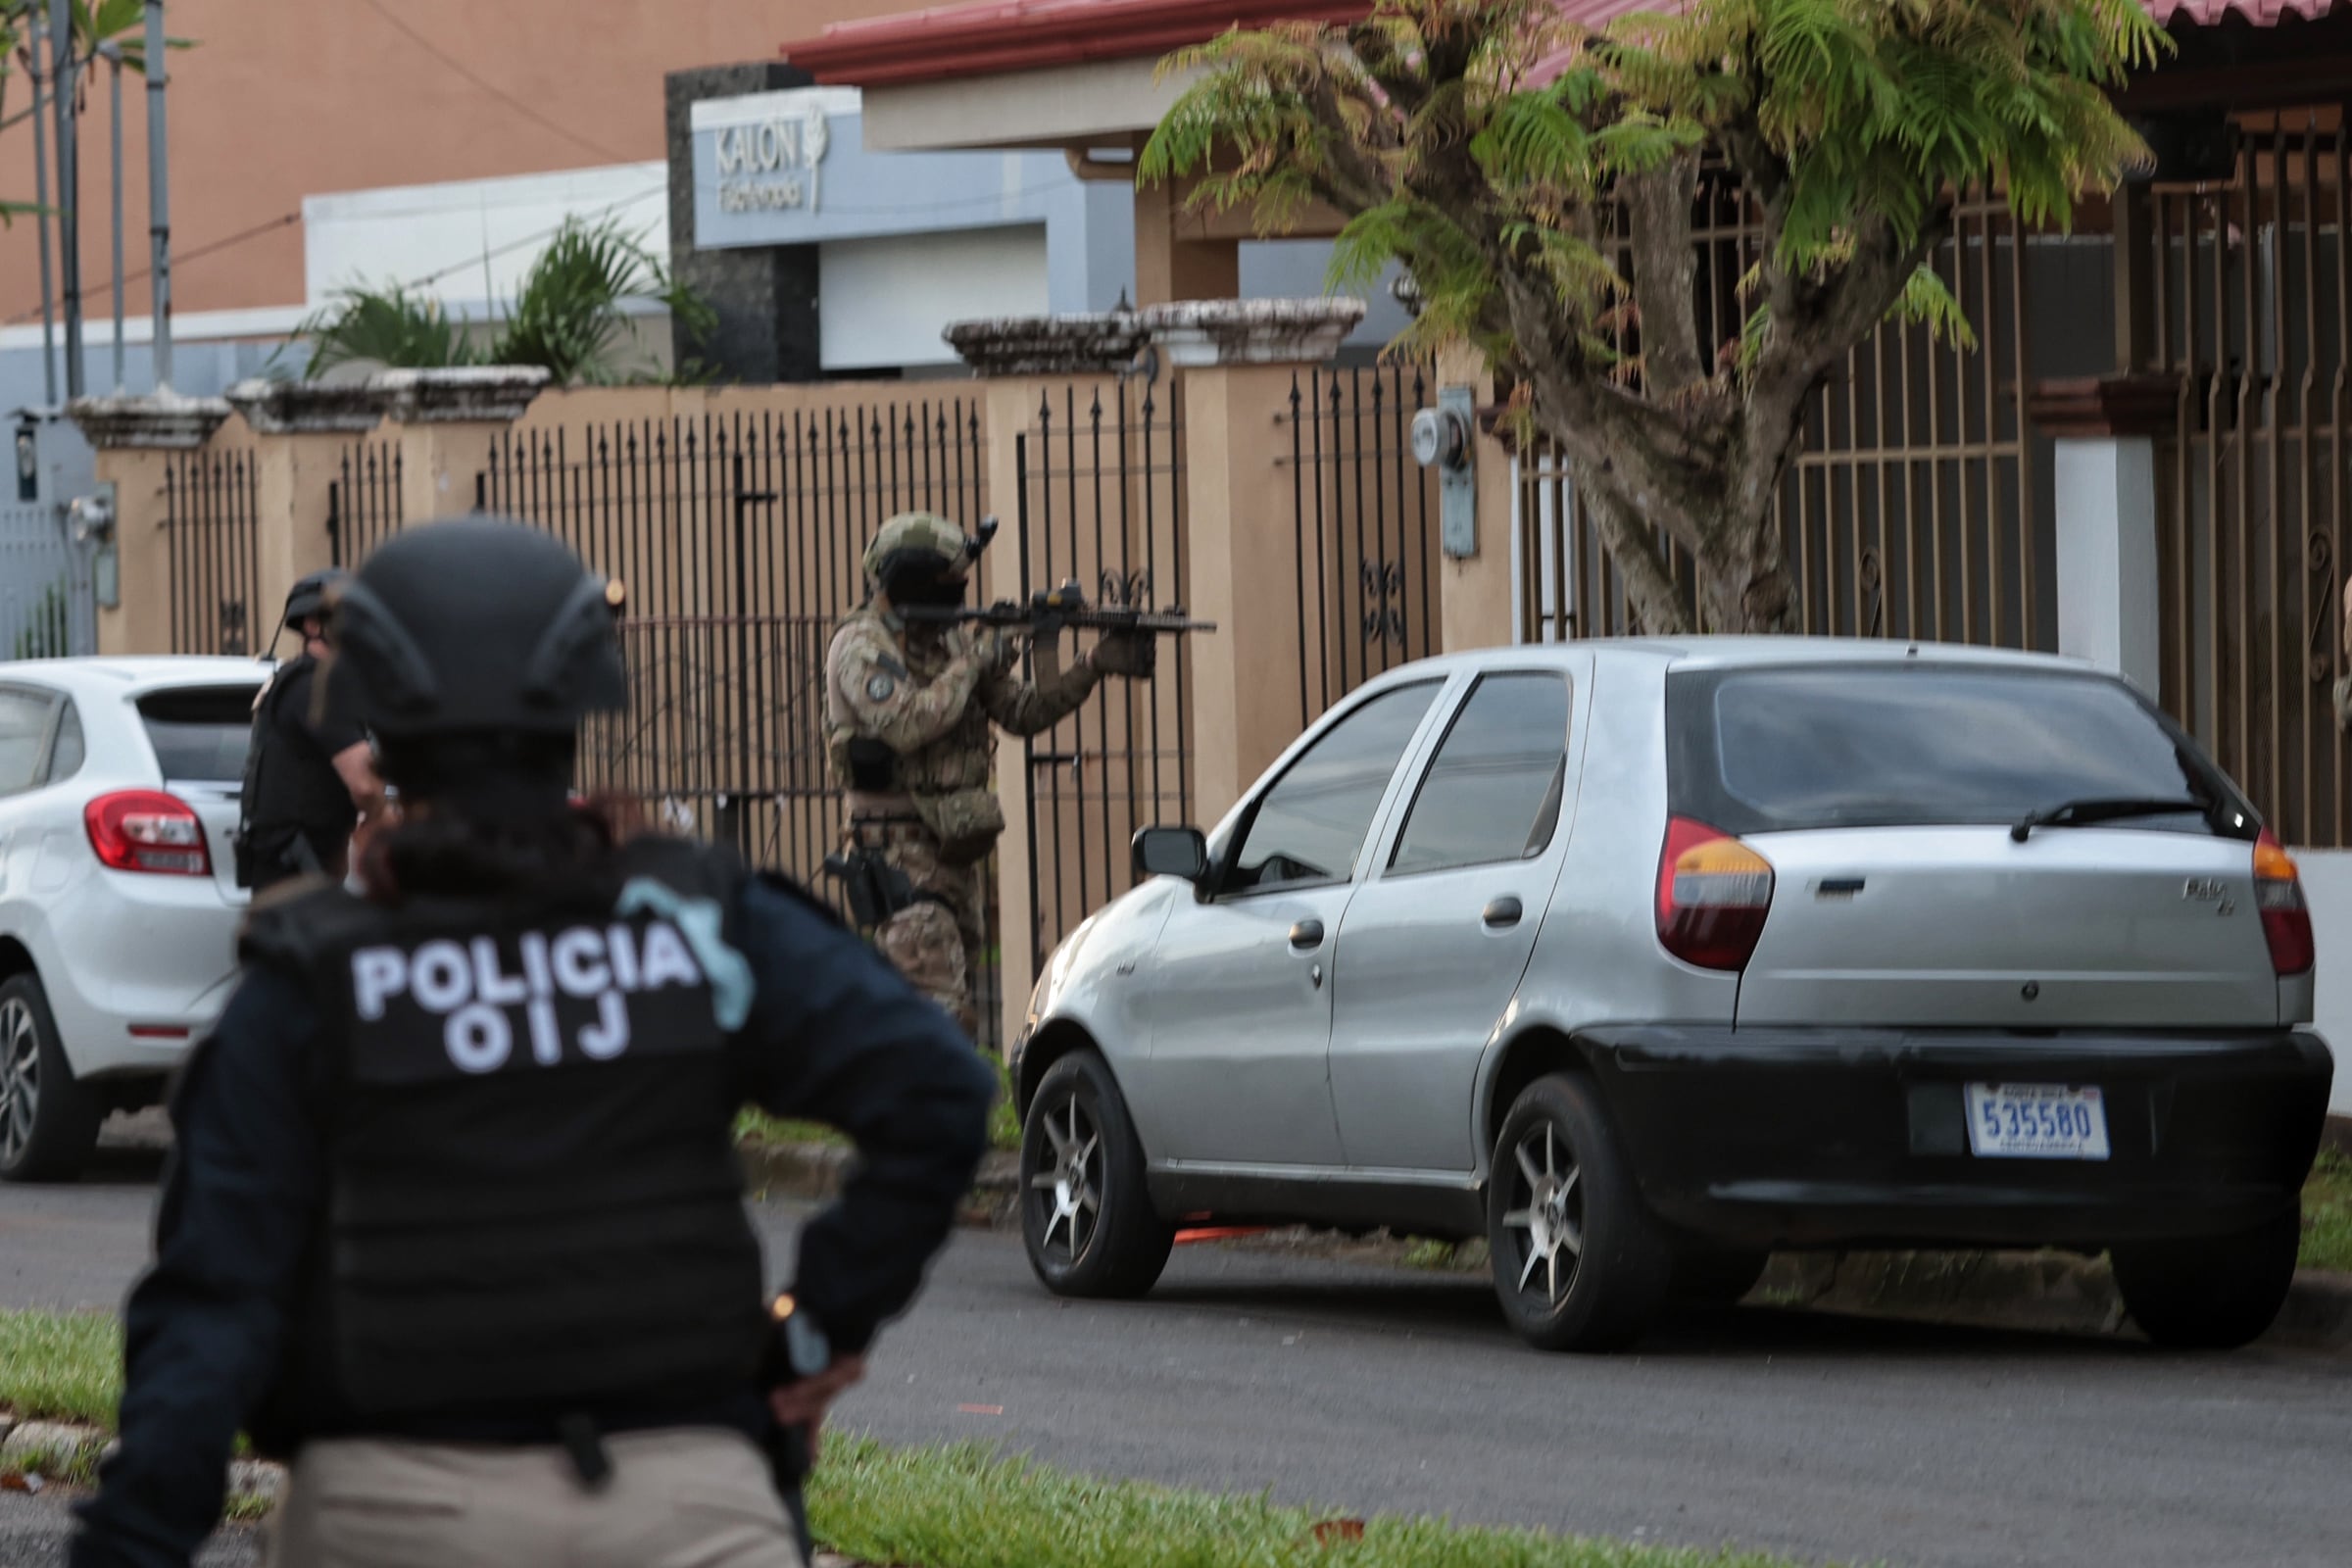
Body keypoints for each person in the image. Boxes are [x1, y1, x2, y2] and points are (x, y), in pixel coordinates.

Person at [70, 518, 996, 1568]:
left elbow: (210, 1308)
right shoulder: (694, 924)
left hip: (398, 1508)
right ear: (577, 699)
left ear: (385, 710)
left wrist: (136, 1537)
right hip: (690, 1502)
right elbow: (938, 1092)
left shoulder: (313, 976)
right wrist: (813, 1331)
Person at [823, 511, 1154, 1037]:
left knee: (947, 1015)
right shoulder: (861, 646)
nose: (957, 599)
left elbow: (1023, 712)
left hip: (954, 851)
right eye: (946, 586)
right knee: (938, 1018)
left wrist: (1093, 663)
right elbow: (907, 723)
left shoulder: (951, 642)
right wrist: (977, 659)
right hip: (897, 856)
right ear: (909, 579)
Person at [235, 569, 390, 893]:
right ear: (312, 625)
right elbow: (364, 783)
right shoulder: (319, 688)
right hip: (301, 874)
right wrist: (384, 818)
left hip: (288, 872)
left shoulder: (295, 679)